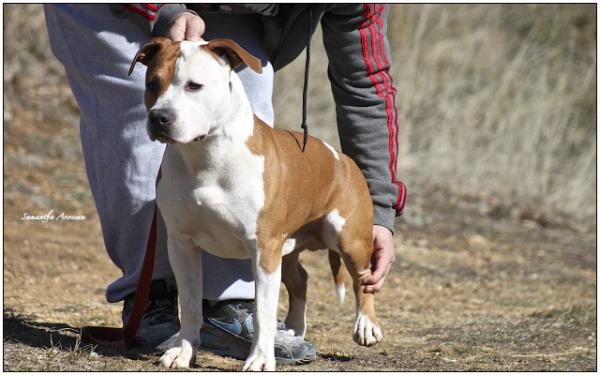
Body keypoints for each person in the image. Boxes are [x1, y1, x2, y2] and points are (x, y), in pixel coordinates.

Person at [44, 3, 405, 365]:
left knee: (254, 85)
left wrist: (379, 207)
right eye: (156, 88)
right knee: (134, 135)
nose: (163, 106)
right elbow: (161, 92)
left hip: (237, 14)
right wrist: (166, 11)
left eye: (193, 87)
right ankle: (154, 299)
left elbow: (366, 80)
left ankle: (233, 305)